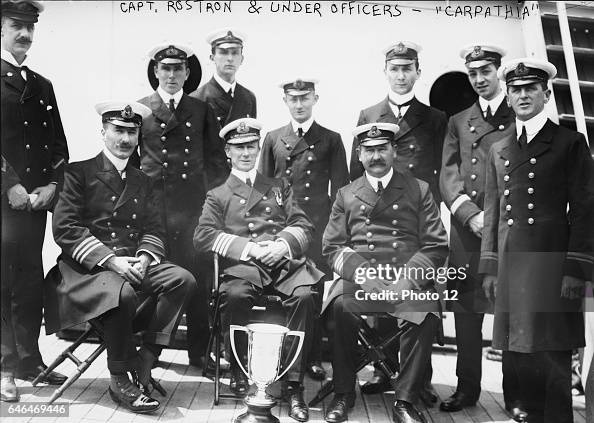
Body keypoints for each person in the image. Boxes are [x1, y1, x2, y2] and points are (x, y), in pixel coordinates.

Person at [48, 101, 195, 413]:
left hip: (132, 264)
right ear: (103, 132)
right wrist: (110, 260)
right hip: (84, 270)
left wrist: (144, 258)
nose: (126, 138)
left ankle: (146, 358)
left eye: (132, 131)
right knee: (122, 292)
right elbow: (65, 229)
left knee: (182, 280)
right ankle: (119, 377)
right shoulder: (77, 173)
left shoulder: (144, 180)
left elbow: (155, 227)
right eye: (118, 130)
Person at [479, 58, 593, 423]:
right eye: (516, 89)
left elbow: (585, 208)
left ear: (546, 94)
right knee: (517, 352)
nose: (523, 95)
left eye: (531, 88)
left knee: (554, 353)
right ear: (508, 97)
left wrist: (575, 269)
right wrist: (490, 267)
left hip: (553, 264)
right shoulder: (499, 147)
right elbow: (493, 211)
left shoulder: (569, 143)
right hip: (512, 266)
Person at [194, 118, 324, 422]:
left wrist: (283, 244)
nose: (245, 153)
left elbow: (304, 224)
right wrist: (249, 248)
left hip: (283, 264)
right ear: (227, 151)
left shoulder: (278, 186)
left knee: (304, 297)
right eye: (238, 147)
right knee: (235, 296)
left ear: (258, 148)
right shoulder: (218, 194)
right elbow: (203, 236)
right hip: (245, 267)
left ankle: (293, 385)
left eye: (251, 146)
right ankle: (240, 374)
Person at [322, 122, 448, 423]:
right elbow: (332, 247)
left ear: (394, 151)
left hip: (407, 279)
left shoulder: (418, 189)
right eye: (369, 151)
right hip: (362, 281)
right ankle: (343, 393)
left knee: (426, 310)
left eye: (382, 149)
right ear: (359, 154)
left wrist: (405, 281)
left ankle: (404, 400)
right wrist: (366, 277)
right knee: (339, 307)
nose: (376, 156)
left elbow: (435, 245)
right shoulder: (346, 194)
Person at [348, 40, 446, 399]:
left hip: (416, 224)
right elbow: (353, 178)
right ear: (385, 72)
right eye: (395, 69)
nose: (401, 75)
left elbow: (439, 175)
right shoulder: (369, 114)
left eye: (408, 69)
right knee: (381, 299)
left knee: (418, 296)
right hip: (377, 225)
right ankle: (383, 370)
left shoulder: (435, 119)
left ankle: (419, 378)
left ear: (418, 73)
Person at [439, 44, 524, 418]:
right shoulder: (458, 121)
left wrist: (494, 219)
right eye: (473, 73)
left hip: (506, 231)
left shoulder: (519, 115)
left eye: (486, 71)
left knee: (510, 313)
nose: (479, 79)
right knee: (465, 313)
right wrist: (469, 214)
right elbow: (448, 175)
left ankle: (515, 395)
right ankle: (466, 388)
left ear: (499, 72)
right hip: (466, 231)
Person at [137, 43, 229, 367]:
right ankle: (151, 350)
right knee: (158, 280)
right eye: (166, 68)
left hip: (193, 211)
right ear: (156, 72)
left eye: (178, 68)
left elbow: (218, 162)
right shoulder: (141, 110)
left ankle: (200, 353)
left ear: (188, 73)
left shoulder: (201, 110)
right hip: (155, 212)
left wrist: (213, 207)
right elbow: (133, 166)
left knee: (199, 282)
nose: (172, 74)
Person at [259, 78, 349, 381]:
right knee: (282, 291)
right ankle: (274, 357)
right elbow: (261, 189)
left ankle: (310, 357)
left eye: (305, 98)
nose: (299, 104)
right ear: (285, 101)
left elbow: (340, 192)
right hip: (282, 231)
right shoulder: (272, 138)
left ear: (315, 99)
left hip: (318, 229)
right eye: (293, 99)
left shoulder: (331, 139)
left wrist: (336, 234)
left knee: (312, 295)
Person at [0, 0, 69, 402]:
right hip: (2, 202)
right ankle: (5, 365)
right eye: (16, 25)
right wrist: (8, 184)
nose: (25, 34)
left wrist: (51, 187)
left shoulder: (42, 86)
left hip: (33, 205)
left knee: (27, 279)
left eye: (30, 27)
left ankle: (28, 359)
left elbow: (58, 145)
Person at [190, 28, 256, 128]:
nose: (230, 58)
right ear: (212, 58)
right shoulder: (197, 99)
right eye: (223, 52)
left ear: (241, 59)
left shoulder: (249, 97)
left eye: (235, 53)